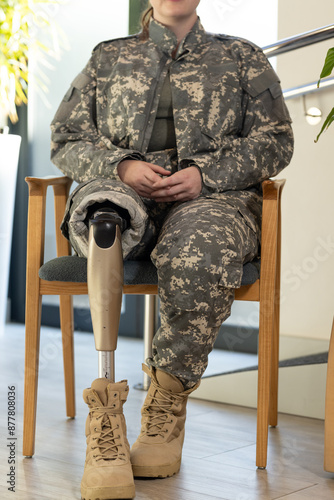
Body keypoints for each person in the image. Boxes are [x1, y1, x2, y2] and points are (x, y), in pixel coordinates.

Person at [50, 1, 294, 498]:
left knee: (201, 250)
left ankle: (165, 404)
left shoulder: (242, 57)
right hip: (121, 190)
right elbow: (66, 136)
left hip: (212, 197)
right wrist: (119, 166)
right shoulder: (107, 56)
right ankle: (106, 422)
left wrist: (207, 175)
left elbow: (277, 138)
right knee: (104, 222)